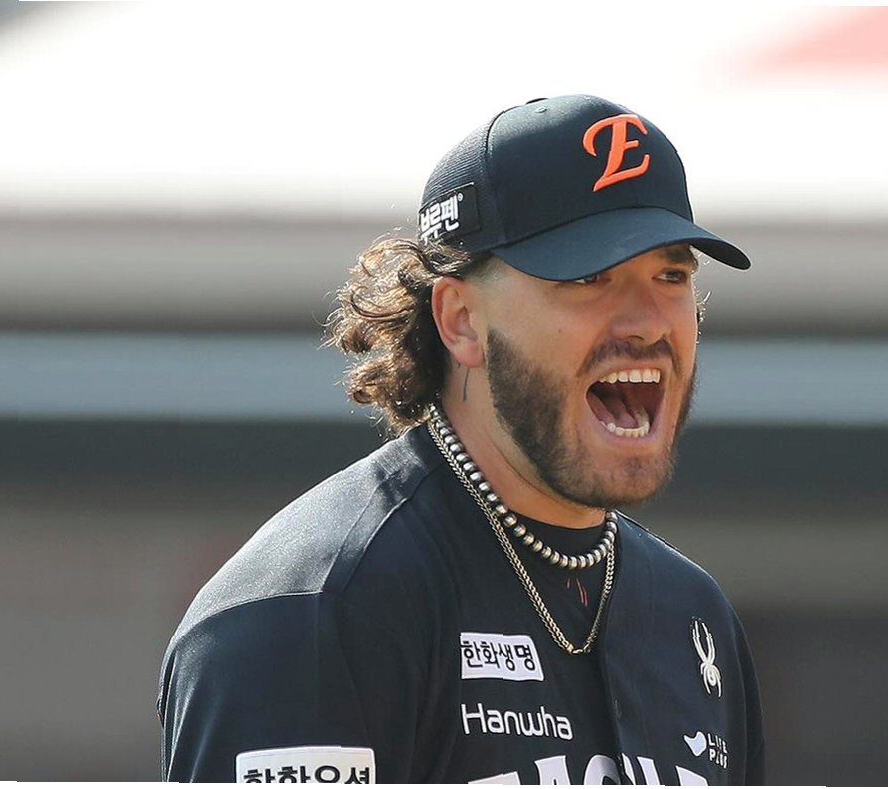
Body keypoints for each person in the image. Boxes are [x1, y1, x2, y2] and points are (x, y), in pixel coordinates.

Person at [158, 94, 764, 784]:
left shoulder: (694, 616)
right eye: (587, 276)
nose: (648, 321)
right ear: (461, 321)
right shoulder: (322, 607)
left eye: (671, 275)